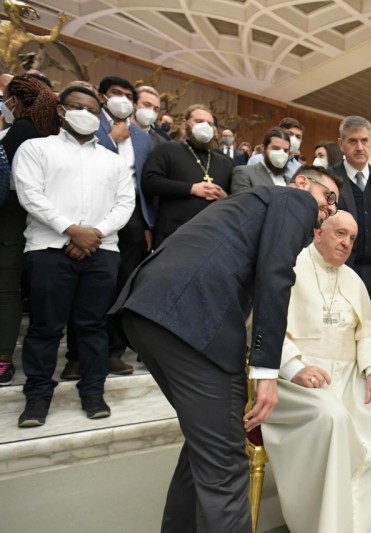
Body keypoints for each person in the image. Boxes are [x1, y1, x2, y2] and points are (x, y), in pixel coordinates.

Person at [111, 167, 342, 533]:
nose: (328, 209)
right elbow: (275, 275)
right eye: (328, 198)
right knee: (226, 467)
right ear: (302, 183)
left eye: (334, 207)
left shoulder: (251, 205)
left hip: (152, 311)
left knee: (205, 450)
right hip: (191, 318)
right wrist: (266, 370)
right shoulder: (293, 199)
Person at [262, 211, 371, 533]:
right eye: (340, 233)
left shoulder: (353, 279)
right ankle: (329, 524)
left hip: (348, 375)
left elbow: (369, 334)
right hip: (297, 379)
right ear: (318, 233)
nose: (346, 243)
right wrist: (295, 367)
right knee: (333, 418)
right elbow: (265, 326)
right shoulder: (290, 266)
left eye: (352, 238)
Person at [14, 86, 135, 426]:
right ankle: (37, 398)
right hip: (48, 249)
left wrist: (94, 233)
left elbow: (125, 203)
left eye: (92, 110)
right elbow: (30, 195)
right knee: (45, 327)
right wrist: (71, 229)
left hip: (101, 251)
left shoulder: (112, 161)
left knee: (93, 326)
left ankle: (93, 393)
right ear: (61, 110)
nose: (85, 114)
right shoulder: (36, 148)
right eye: (77, 107)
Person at [62, 75, 154, 378]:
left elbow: (143, 183)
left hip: (131, 218)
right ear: (102, 96)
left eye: (129, 95)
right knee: (86, 286)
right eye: (116, 93)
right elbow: (77, 161)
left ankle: (113, 351)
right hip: (90, 212)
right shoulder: (89, 123)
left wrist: (147, 224)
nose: (122, 100)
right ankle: (77, 356)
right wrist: (112, 139)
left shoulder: (142, 138)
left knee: (122, 285)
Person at [0, 74, 60, 387]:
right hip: (46, 221)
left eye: (6, 97)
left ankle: (3, 358)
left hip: (13, 217)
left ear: (17, 100)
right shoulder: (52, 129)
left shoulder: (22, 129)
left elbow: (4, 172)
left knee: (6, 288)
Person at [329, 115, 371, 336]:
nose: (360, 147)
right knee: (340, 336)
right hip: (338, 272)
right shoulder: (328, 179)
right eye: (352, 141)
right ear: (341, 144)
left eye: (364, 140)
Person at [142, 104, 232, 247]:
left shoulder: (225, 162)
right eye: (199, 121)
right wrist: (191, 189)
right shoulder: (167, 150)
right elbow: (149, 182)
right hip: (173, 235)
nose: (205, 126)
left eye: (209, 124)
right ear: (185, 123)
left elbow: (236, 197)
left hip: (213, 236)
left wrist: (224, 197)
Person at [231, 127, 291, 192]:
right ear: (263, 148)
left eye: (285, 150)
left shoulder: (289, 182)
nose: (281, 153)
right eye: (276, 149)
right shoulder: (244, 173)